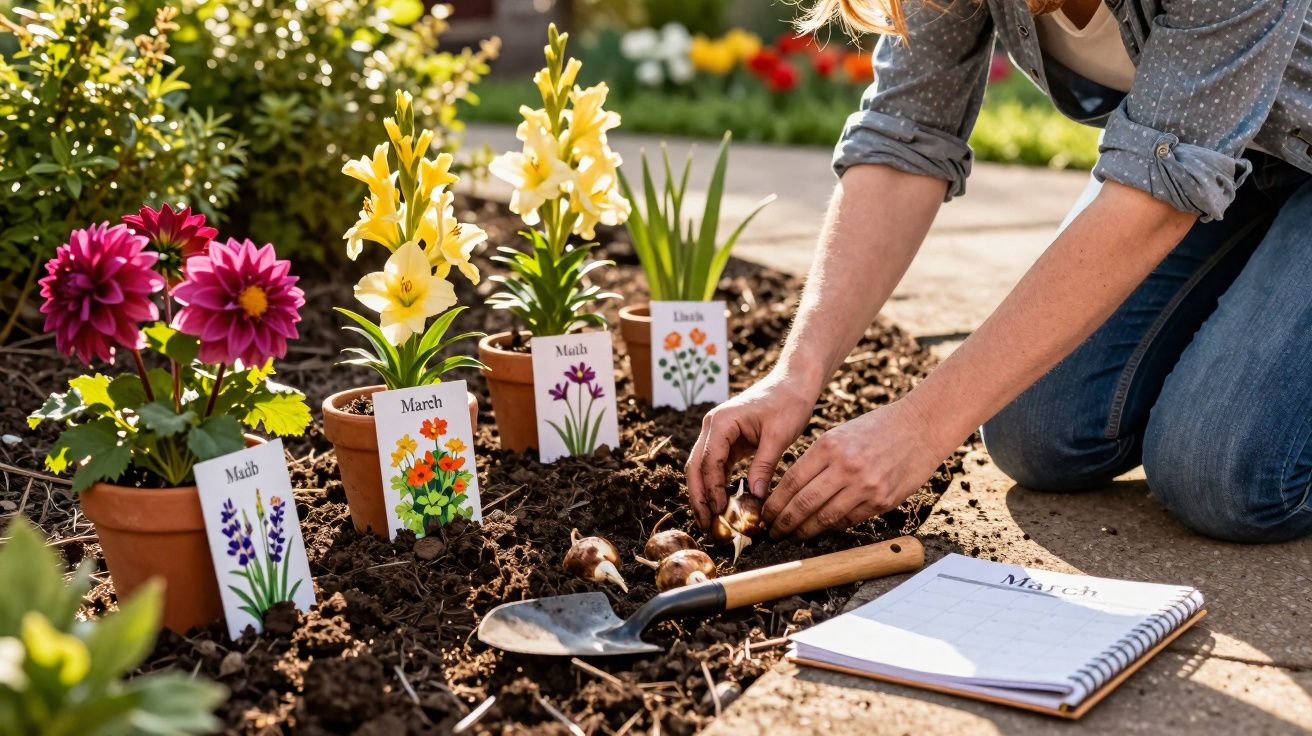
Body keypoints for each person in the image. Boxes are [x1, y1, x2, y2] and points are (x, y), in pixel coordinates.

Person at [685, 0, 1312, 544]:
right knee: (1037, 433)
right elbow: (905, 136)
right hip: (1238, 166)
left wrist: (920, 428)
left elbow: (1150, 203)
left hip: (1237, 164)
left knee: (1228, 475)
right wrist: (796, 375)